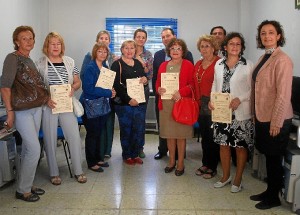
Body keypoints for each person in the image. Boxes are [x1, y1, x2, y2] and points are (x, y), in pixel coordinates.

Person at [1, 26, 49, 202]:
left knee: (29, 149)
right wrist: (10, 112)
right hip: (21, 111)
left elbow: (34, 86)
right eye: (24, 38)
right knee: (34, 148)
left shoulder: (29, 60)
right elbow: (5, 87)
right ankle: (22, 190)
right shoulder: (12, 58)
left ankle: (26, 183)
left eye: (31, 38)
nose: (29, 41)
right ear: (16, 41)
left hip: (35, 108)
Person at [249, 20, 293, 210]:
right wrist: (254, 114)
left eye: (271, 33)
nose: (266, 36)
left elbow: (283, 94)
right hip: (262, 116)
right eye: (263, 33)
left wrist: (276, 122)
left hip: (276, 119)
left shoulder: (282, 59)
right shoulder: (264, 57)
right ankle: (269, 191)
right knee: (268, 156)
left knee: (275, 158)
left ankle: (274, 197)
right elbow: (258, 88)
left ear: (278, 36)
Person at [36, 32, 87, 184]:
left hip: (66, 104)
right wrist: (46, 98)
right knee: (50, 139)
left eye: (58, 44)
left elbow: (78, 82)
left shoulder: (70, 62)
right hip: (49, 106)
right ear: (47, 45)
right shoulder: (40, 63)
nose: (56, 46)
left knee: (74, 137)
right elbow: (37, 87)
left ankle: (78, 170)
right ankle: (54, 173)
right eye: (53, 43)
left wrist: (73, 88)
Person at [209, 32, 254, 192]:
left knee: (240, 147)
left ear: (241, 47)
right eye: (231, 44)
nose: (234, 47)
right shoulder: (219, 64)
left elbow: (253, 89)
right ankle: (226, 176)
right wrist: (211, 99)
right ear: (225, 47)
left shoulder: (248, 65)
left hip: (240, 113)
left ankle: (237, 179)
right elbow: (215, 83)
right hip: (222, 113)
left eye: (238, 44)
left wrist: (240, 99)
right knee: (223, 145)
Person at [153, 27, 194, 160]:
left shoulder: (188, 64)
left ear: (183, 51)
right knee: (169, 135)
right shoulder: (163, 65)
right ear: (168, 51)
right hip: (166, 105)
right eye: (173, 49)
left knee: (180, 136)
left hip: (181, 103)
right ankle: (171, 162)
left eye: (178, 49)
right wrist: (158, 89)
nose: (175, 51)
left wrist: (181, 92)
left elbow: (192, 84)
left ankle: (180, 162)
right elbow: (157, 82)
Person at [80, 42, 116, 172]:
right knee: (92, 134)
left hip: (102, 105)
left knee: (99, 133)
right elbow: (88, 89)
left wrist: (112, 91)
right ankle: (91, 162)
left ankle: (98, 158)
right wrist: (107, 92)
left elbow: (105, 85)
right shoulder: (90, 67)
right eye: (100, 51)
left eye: (105, 52)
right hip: (91, 105)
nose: (102, 54)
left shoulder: (105, 66)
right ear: (95, 52)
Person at [111, 40, 148, 165]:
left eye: (132, 48)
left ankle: (136, 153)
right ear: (122, 49)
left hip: (138, 103)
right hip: (124, 104)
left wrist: (145, 80)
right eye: (126, 48)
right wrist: (128, 100)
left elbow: (143, 79)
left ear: (135, 50)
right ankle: (127, 155)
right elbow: (116, 85)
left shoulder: (138, 63)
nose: (129, 50)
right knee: (127, 130)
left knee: (138, 129)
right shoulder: (117, 64)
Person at [194, 35, 220, 179]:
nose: (204, 49)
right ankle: (205, 163)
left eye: (207, 46)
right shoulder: (198, 63)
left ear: (214, 47)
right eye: (202, 46)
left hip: (213, 104)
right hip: (200, 103)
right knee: (204, 135)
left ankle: (212, 166)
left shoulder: (219, 63)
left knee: (212, 136)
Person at [133, 28, 154, 158]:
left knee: (140, 119)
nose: (141, 39)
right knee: (129, 119)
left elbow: (150, 74)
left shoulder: (148, 55)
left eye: (143, 37)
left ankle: (140, 147)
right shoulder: (127, 50)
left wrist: (146, 75)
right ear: (134, 38)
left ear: (146, 39)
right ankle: (129, 146)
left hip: (142, 89)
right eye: (138, 36)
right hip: (128, 91)